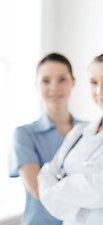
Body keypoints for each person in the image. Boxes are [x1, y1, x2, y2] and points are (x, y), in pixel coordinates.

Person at [38, 53, 103, 225]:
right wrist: (83, 189)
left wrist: (60, 187)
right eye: (93, 83)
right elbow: (46, 174)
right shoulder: (79, 132)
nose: (100, 91)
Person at [8, 53, 79, 225]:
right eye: (46, 81)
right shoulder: (24, 134)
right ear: (36, 85)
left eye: (62, 79)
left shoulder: (89, 131)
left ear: (73, 82)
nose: (54, 87)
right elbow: (39, 189)